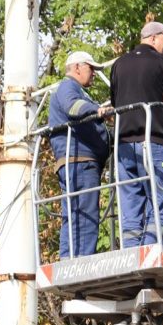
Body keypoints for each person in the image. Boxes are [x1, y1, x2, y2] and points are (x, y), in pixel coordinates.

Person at [109, 21, 163, 248]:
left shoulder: (119, 65)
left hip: (124, 146)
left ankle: (131, 253)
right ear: (154, 38)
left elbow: (116, 102)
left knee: (130, 203)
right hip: (154, 141)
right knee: (161, 198)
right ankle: (150, 249)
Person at [49, 50, 111, 258]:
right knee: (85, 217)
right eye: (90, 68)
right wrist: (97, 110)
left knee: (74, 216)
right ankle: (81, 263)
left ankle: (68, 260)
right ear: (77, 68)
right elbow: (72, 107)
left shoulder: (72, 88)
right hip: (81, 162)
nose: (93, 73)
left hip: (76, 162)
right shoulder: (69, 87)